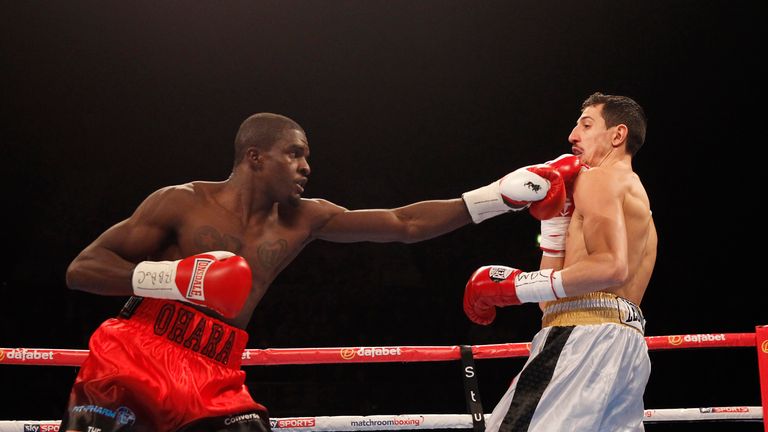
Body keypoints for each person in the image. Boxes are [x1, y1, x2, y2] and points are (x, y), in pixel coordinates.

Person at [60, 112, 570, 432]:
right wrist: (171, 280)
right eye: (295, 154)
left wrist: (491, 198)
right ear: (254, 157)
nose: (307, 167)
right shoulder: (182, 202)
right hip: (136, 353)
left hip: (215, 370)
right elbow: (83, 268)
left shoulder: (305, 218)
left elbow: (404, 223)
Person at [464, 92, 656, 431]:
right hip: (625, 344)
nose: (572, 136)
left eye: (586, 124)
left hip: (582, 341)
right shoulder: (640, 204)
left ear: (617, 135)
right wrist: (554, 221)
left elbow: (612, 266)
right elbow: (551, 303)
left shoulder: (599, 178)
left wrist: (517, 286)